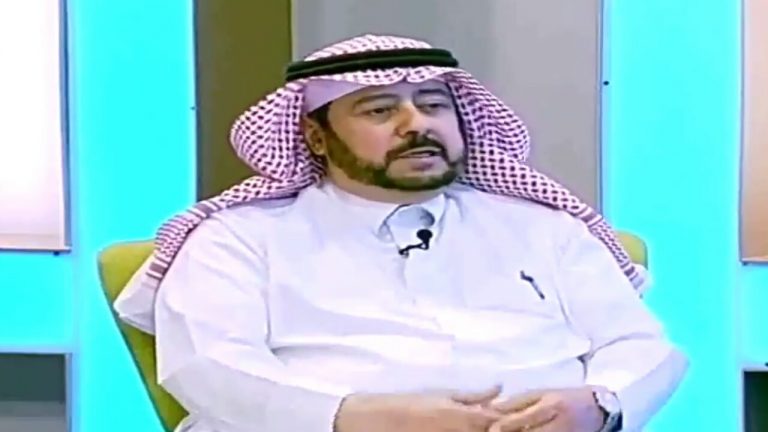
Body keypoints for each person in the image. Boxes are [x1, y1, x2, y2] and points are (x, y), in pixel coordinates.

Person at [115, 34, 688, 432]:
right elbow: (210, 367)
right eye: (379, 110)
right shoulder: (238, 238)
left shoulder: (544, 227)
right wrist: (356, 417)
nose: (417, 124)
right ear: (315, 138)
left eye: (434, 105)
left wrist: (600, 405)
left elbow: (639, 345)